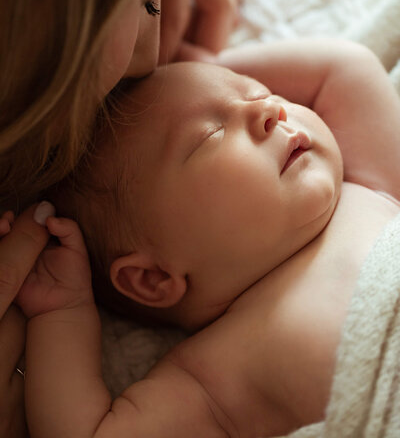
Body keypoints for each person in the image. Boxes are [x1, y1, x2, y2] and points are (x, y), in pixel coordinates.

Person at [0, 0, 289, 435]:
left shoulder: (371, 196)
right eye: (144, 3)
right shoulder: (213, 376)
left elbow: (348, 69)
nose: (151, 61)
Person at [14, 40, 400, 437]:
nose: (270, 110)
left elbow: (346, 65)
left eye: (259, 90)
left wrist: (214, 65)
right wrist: (61, 311)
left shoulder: (372, 187)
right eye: (211, 134)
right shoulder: (214, 377)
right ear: (154, 278)